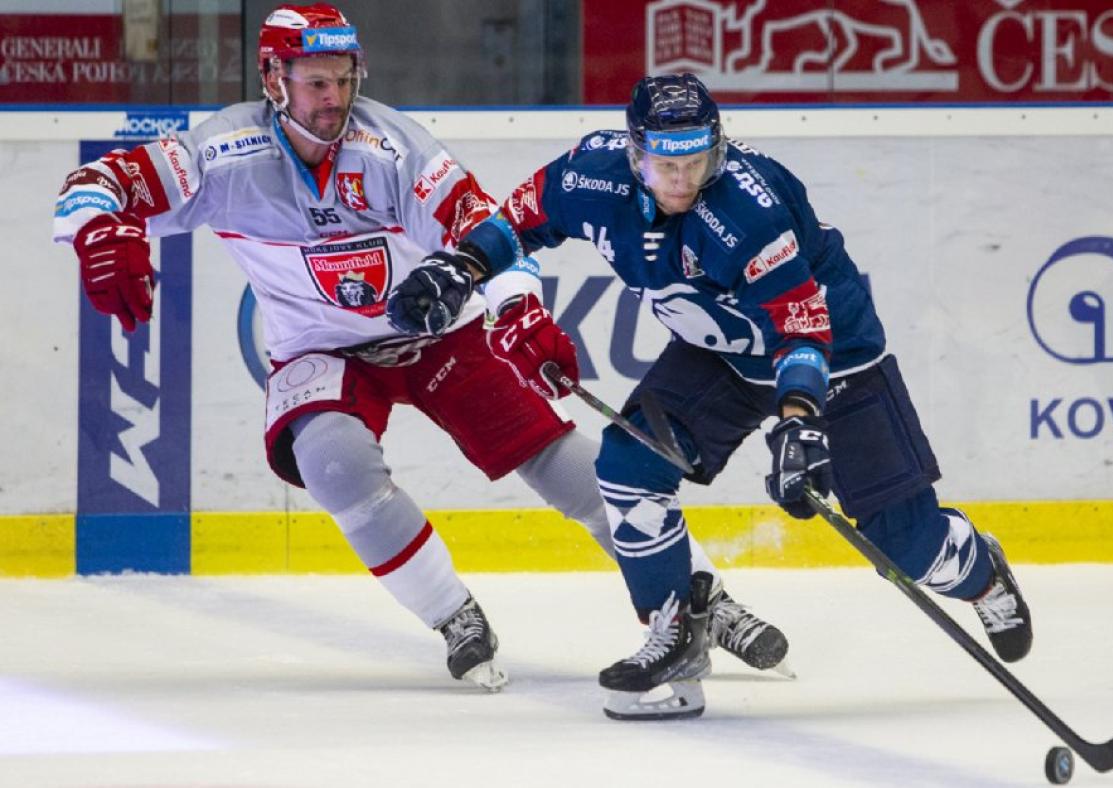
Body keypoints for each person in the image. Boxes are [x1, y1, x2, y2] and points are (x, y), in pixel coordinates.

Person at [51, 7, 788, 692]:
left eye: (344, 79)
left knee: (568, 469)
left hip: (441, 330)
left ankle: (703, 598)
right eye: (315, 82)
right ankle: (452, 614)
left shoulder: (393, 146)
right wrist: (97, 229)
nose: (334, 98)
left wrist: (518, 308)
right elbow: (93, 184)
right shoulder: (222, 154)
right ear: (273, 80)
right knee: (334, 465)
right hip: (321, 348)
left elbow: (486, 227)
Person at [385, 73, 1034, 719]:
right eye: (665, 165)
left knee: (907, 544)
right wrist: (463, 266)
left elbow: (801, 328)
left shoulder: (748, 211)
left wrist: (800, 420)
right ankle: (676, 636)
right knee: (627, 466)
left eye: (696, 163)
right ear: (635, 154)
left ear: (716, 151)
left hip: (833, 360)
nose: (681, 181)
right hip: (719, 356)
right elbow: (515, 222)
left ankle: (982, 571)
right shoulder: (591, 173)